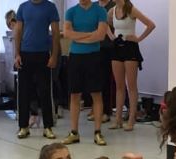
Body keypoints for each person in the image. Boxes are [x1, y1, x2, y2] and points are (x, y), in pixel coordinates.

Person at [62, 0, 109, 146]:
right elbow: (67, 33)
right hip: (76, 57)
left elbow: (101, 35)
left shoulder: (100, 11)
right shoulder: (71, 12)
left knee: (96, 94)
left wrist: (79, 36)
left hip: (93, 56)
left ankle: (97, 132)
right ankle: (74, 132)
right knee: (75, 94)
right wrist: (89, 35)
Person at [14, 0, 60, 140]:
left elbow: (56, 34)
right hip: (25, 54)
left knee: (45, 91)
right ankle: (23, 127)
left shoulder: (50, 7)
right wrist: (17, 54)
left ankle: (48, 127)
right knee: (24, 92)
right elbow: (18, 31)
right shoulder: (23, 7)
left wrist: (54, 56)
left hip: (43, 55)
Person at [107, 0, 155, 131]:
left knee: (131, 86)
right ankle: (118, 119)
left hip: (130, 48)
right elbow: (105, 24)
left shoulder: (131, 9)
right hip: (117, 47)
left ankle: (131, 119)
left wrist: (138, 38)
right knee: (119, 86)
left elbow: (150, 25)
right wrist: (112, 36)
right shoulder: (112, 10)